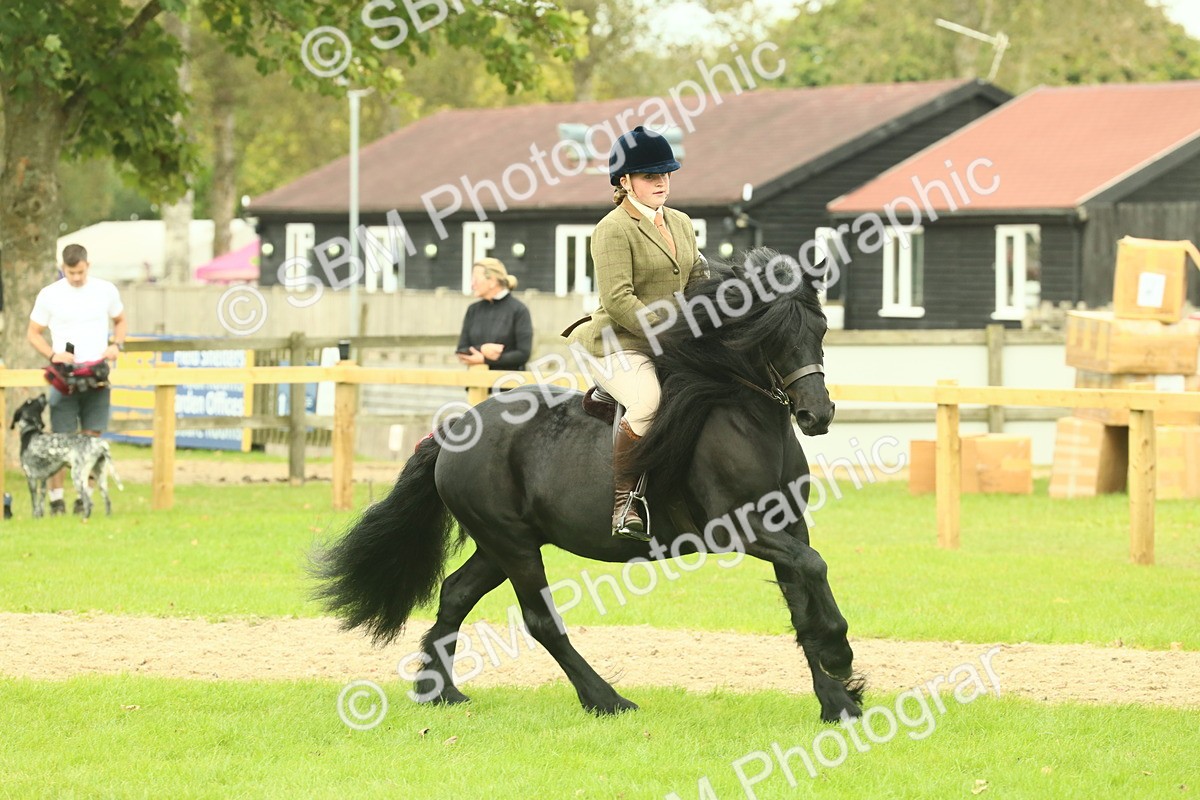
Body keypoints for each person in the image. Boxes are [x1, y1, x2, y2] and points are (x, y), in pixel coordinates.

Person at [565, 126, 701, 540]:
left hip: (672, 340)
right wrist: (672, 331)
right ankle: (625, 502)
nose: (661, 181)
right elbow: (620, 299)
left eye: (666, 174)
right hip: (616, 341)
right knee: (648, 402)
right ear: (625, 182)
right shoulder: (612, 228)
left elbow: (696, 277)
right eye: (650, 176)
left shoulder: (680, 222)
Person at [26, 243, 126, 516]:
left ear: (87, 266)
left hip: (96, 375)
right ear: (63, 269)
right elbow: (33, 332)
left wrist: (117, 345)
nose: (76, 278)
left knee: (92, 438)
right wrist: (52, 354)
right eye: (71, 273)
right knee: (60, 441)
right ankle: (56, 500)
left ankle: (86, 497)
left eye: (80, 272)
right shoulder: (50, 295)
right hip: (65, 378)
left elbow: (121, 320)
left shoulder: (105, 290)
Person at [456, 257, 533, 372]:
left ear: (492, 281)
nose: (472, 285)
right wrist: (483, 349)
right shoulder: (473, 310)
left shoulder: (519, 310)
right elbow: (461, 350)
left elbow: (523, 354)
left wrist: (485, 360)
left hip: (509, 387)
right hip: (476, 385)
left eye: (475, 280)